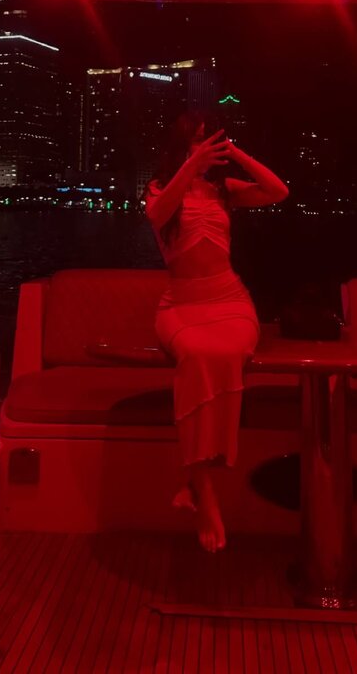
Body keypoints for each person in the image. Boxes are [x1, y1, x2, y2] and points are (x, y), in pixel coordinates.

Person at [143, 111, 289, 552]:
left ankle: (194, 480)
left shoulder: (224, 191)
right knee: (196, 354)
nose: (206, 148)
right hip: (182, 305)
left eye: (211, 141)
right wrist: (192, 165)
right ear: (181, 146)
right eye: (198, 140)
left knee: (227, 353)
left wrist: (236, 154)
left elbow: (278, 191)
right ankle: (204, 490)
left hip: (230, 301)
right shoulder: (159, 189)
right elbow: (158, 215)